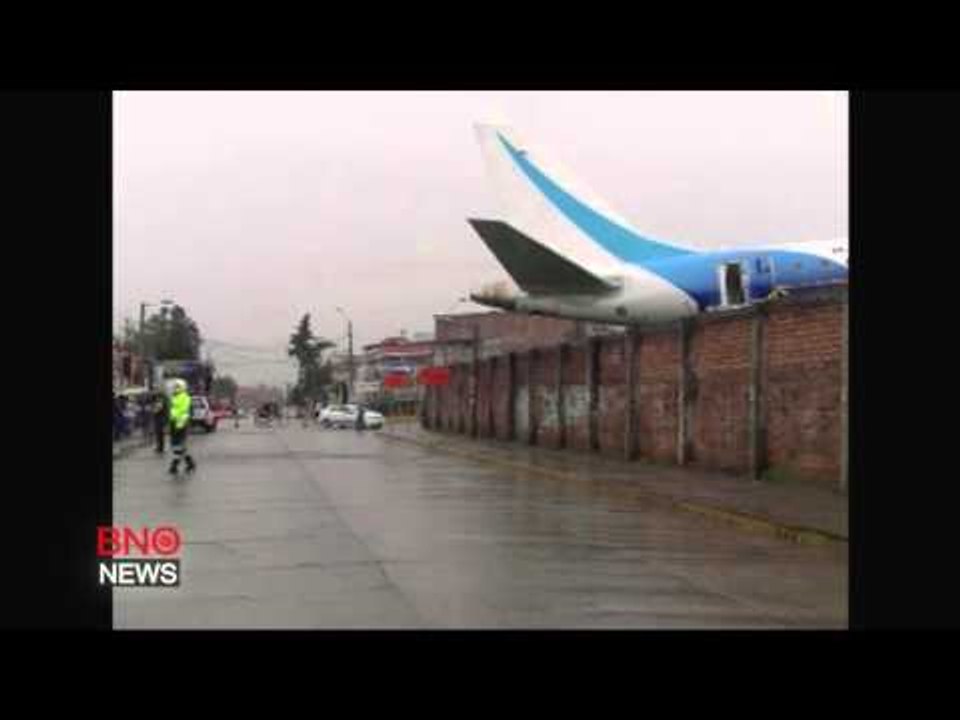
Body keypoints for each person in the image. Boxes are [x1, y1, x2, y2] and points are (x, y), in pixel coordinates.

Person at [168, 379, 196, 474]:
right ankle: (190, 463)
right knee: (178, 447)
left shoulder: (185, 398)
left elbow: (185, 413)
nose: (175, 389)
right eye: (174, 387)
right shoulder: (174, 397)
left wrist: (180, 425)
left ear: (182, 387)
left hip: (180, 425)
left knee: (178, 446)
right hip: (174, 424)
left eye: (177, 387)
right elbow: (172, 411)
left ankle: (174, 465)